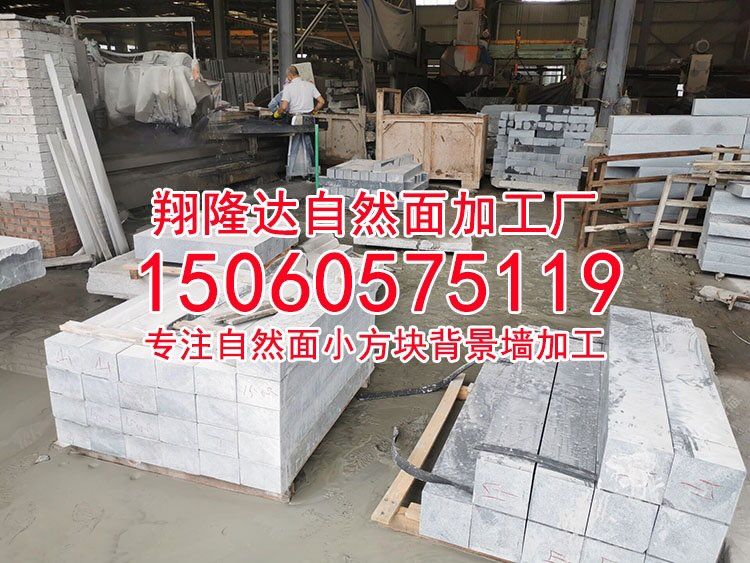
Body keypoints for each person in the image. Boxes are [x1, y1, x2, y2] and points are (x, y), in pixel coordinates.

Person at [273, 65, 326, 179]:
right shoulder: (309, 85)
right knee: (310, 145)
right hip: (309, 118)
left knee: (294, 145)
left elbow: (284, 107)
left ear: (290, 76)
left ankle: (290, 173)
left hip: (296, 119)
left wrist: (277, 113)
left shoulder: (288, 88)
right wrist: (314, 111)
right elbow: (321, 101)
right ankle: (313, 172)